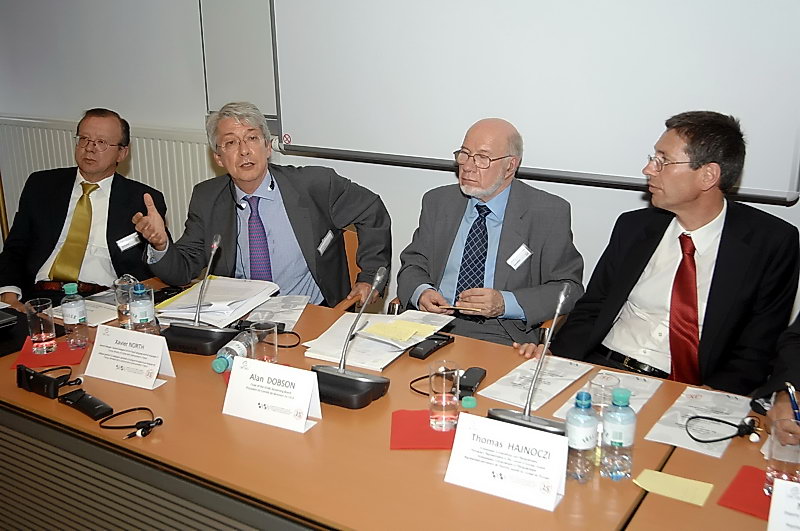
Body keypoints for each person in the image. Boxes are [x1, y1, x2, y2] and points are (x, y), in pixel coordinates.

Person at [516, 111, 799, 395]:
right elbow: (592, 308)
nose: (648, 169)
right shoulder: (634, 227)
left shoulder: (770, 243)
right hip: (603, 368)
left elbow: (756, 350)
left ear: (708, 175)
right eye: (653, 158)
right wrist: (556, 358)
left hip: (691, 389)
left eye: (663, 161)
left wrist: (708, 396)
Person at [134, 101, 391, 307]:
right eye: (231, 142)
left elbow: (372, 210)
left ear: (268, 147)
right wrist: (161, 245)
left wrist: (369, 277)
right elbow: (183, 270)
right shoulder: (207, 198)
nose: (244, 150)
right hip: (241, 318)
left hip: (311, 313)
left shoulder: (315, 185)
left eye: (252, 138)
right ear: (219, 158)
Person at [396, 118, 584, 345]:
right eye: (464, 154)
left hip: (501, 332)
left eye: (482, 158)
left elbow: (568, 288)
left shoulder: (547, 212)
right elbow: (413, 263)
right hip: (431, 324)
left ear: (510, 166)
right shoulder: (438, 201)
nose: (467, 166)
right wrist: (422, 292)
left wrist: (506, 303)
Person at [0, 108, 167, 310]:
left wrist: (158, 244)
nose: (89, 148)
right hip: (40, 296)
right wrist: (9, 297)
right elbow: (15, 248)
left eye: (101, 142)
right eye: (84, 139)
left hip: (103, 300)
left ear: (122, 152)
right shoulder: (41, 185)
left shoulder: (142, 200)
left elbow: (162, 264)